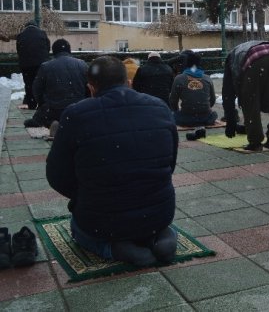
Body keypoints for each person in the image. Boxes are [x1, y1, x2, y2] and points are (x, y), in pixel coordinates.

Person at [46, 56, 178, 267]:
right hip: (158, 213)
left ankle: (116, 248)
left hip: (103, 222)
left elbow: (56, 176)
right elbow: (169, 164)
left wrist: (86, 194)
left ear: (91, 88)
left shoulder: (75, 115)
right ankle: (162, 238)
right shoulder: (159, 107)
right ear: (128, 83)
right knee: (152, 223)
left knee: (80, 229)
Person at [223, 41, 269, 151]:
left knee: (250, 102)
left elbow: (227, 93)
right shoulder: (240, 52)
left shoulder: (231, 59)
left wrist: (230, 121)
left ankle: (255, 142)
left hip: (254, 60)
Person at [24, 39, 88, 128]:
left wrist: (43, 104)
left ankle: (51, 123)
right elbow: (89, 87)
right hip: (78, 109)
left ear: (53, 51)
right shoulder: (82, 65)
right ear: (69, 50)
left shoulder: (46, 67)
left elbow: (37, 89)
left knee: (37, 119)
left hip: (53, 110)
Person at [169, 51, 217, 127]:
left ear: (186, 63)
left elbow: (173, 101)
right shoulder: (207, 78)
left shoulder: (179, 78)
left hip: (186, 118)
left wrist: (178, 111)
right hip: (206, 117)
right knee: (214, 114)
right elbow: (212, 100)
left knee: (171, 116)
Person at [15, 20, 50, 110]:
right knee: (41, 83)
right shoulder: (42, 33)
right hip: (40, 64)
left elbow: (19, 50)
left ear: (26, 26)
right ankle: (42, 103)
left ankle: (31, 103)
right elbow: (47, 47)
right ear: (36, 26)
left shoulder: (21, 35)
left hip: (26, 64)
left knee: (29, 83)